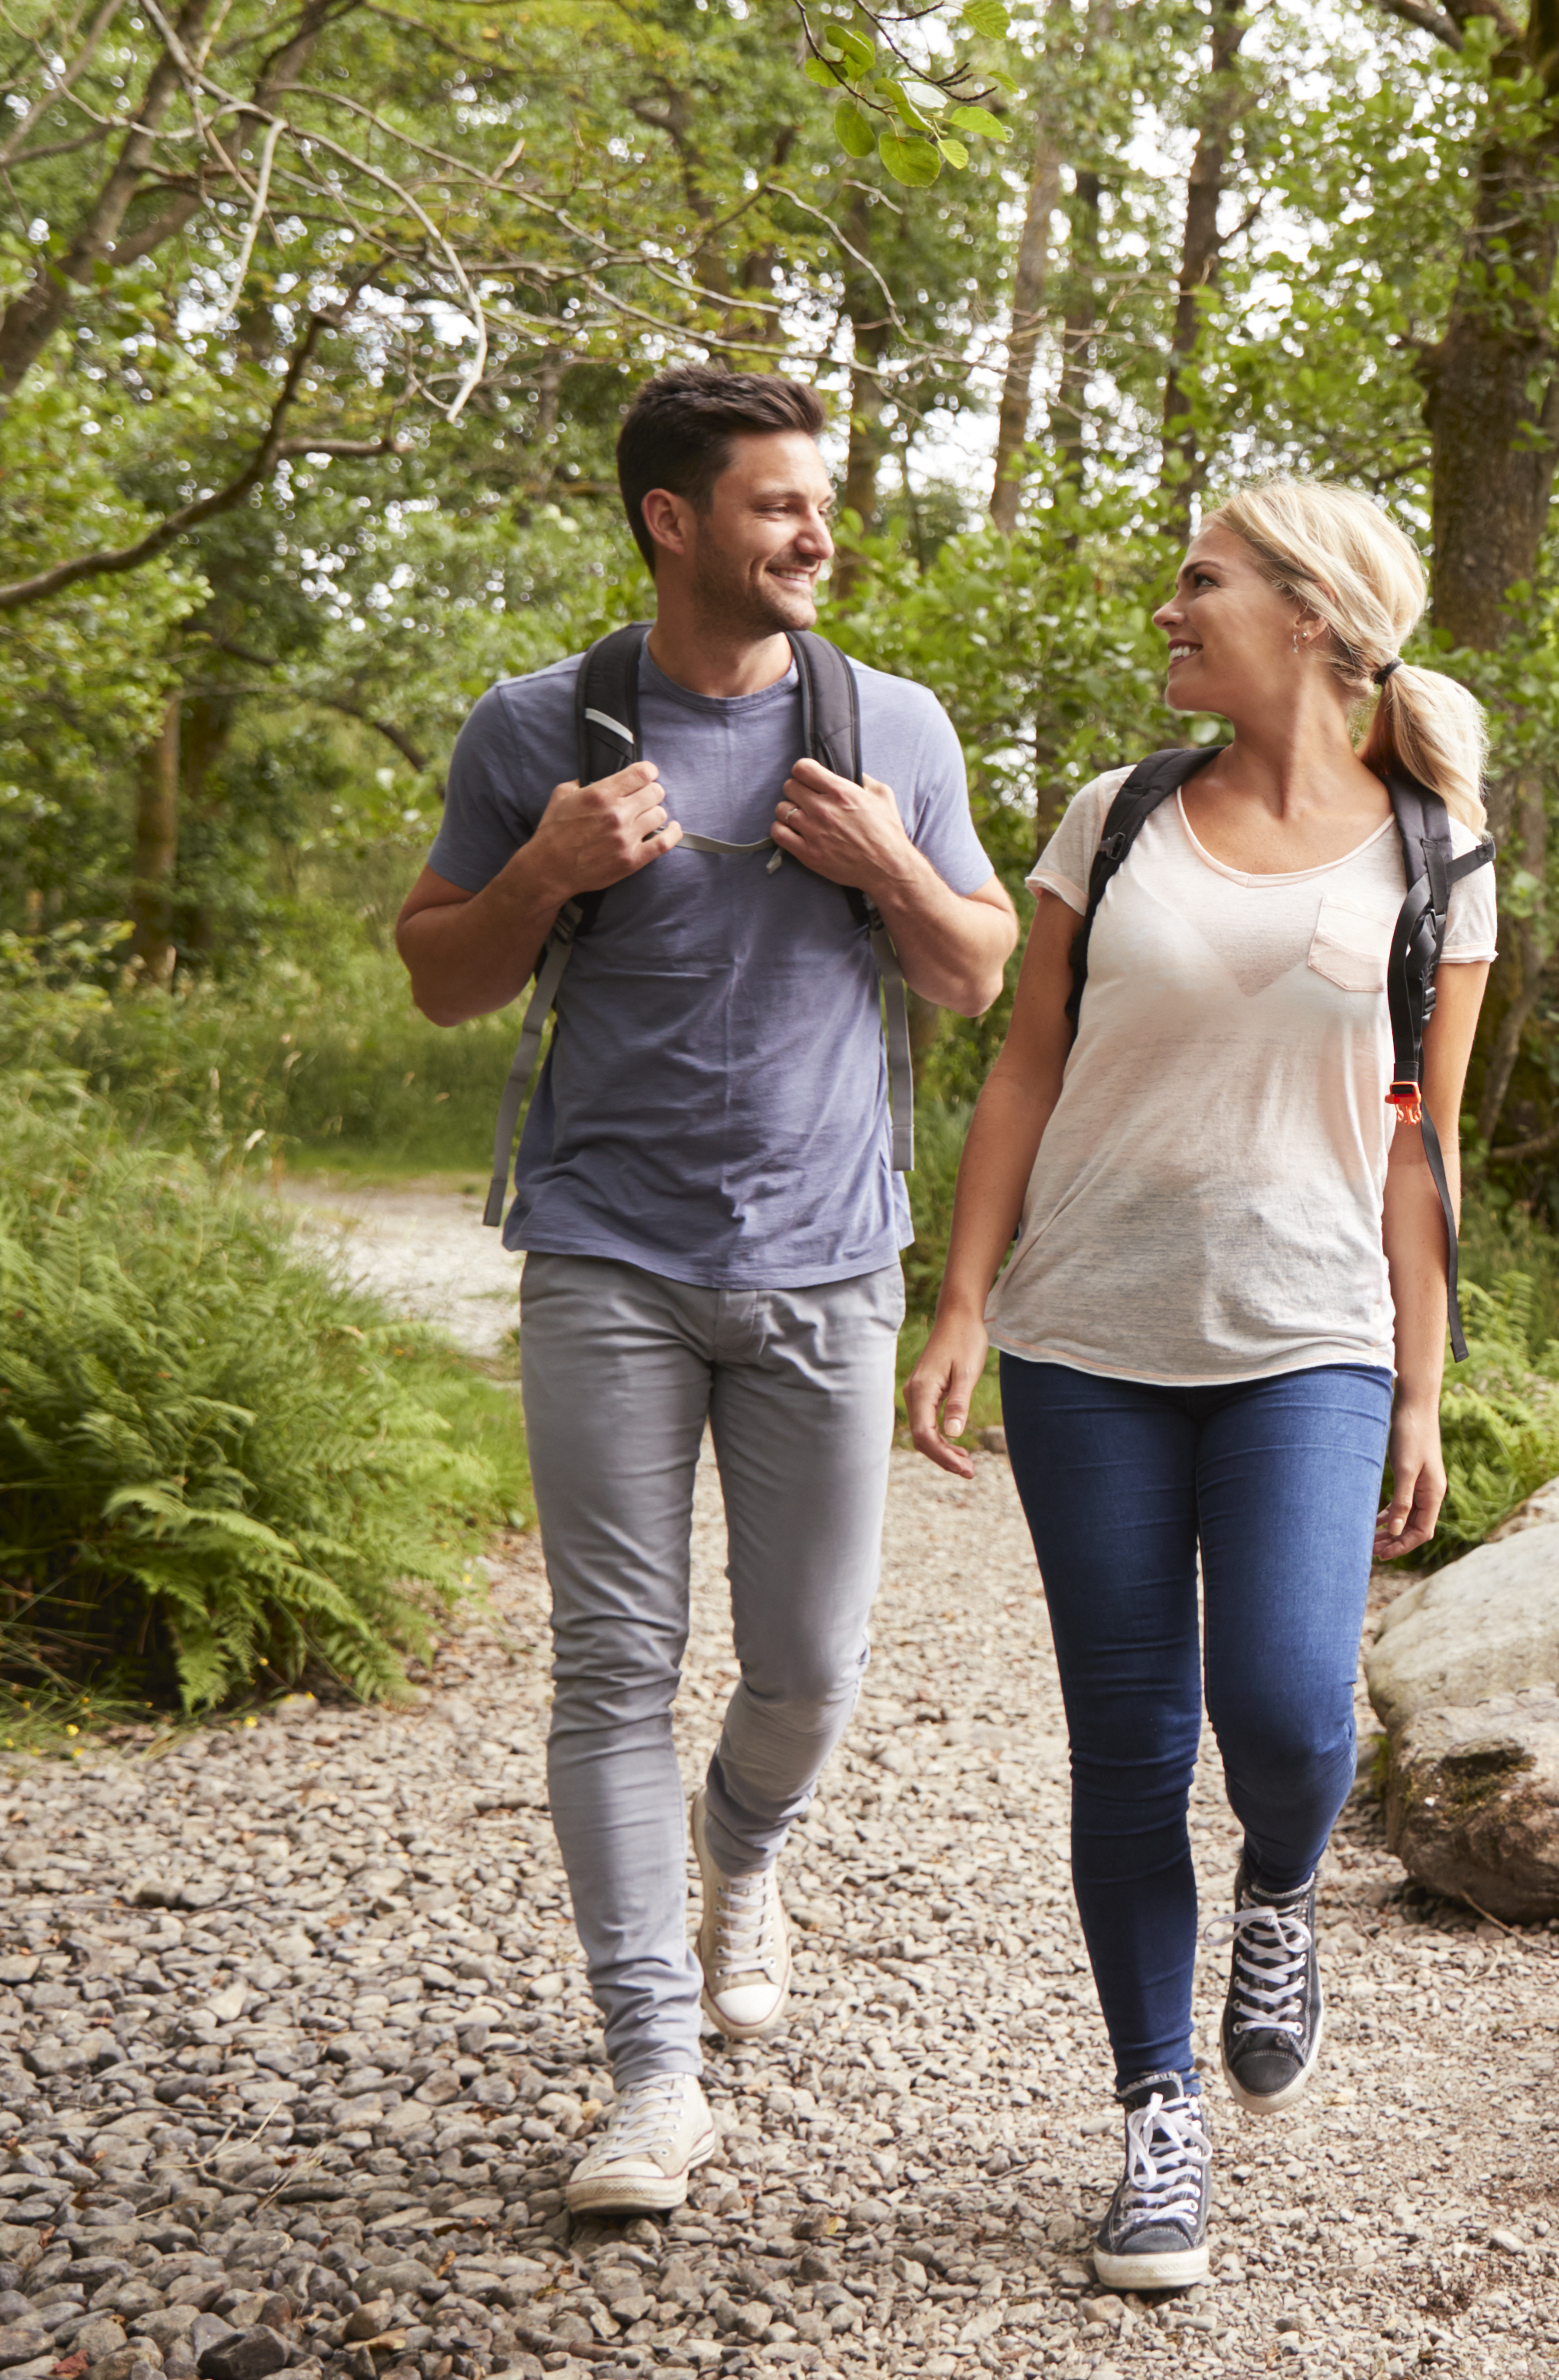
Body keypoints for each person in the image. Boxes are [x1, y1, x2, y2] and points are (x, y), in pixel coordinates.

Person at [396, 367, 1018, 2215]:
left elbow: (979, 974)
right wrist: (544, 868)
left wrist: (893, 860)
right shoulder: (539, 726)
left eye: (820, 501)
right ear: (672, 521)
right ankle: (650, 2073)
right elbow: (440, 976)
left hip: (830, 1265)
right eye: (777, 505)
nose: (818, 533)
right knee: (612, 1663)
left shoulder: (889, 720)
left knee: (809, 1668)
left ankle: (745, 1840)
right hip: (606, 1256)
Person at [898, 476, 1493, 2291]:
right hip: (1090, 1339)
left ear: (1312, 619)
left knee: (1298, 1712)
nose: (1168, 608)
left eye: (1199, 581)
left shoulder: (1437, 851)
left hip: (1311, 1336)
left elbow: (1425, 1146)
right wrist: (966, 1298)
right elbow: (1023, 1067)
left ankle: (1281, 1896)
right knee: (1133, 1744)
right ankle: (1156, 2114)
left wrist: (1418, 1386)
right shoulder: (1116, 813)